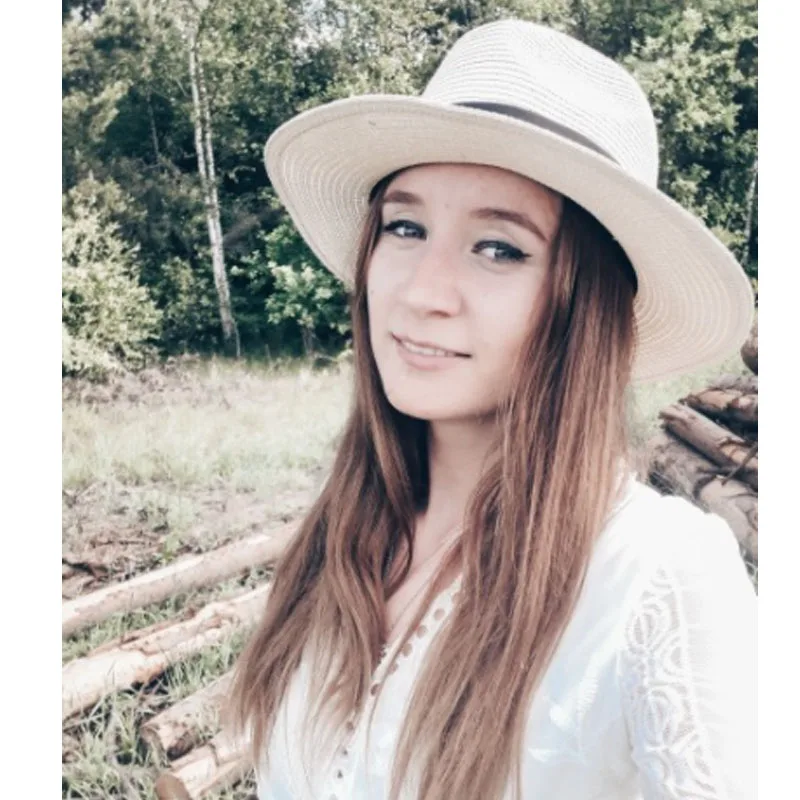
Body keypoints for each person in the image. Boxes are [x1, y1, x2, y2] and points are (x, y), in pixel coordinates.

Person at [227, 18, 757, 800]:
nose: (421, 292)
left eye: (499, 247)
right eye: (405, 227)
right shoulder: (342, 536)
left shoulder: (657, 579)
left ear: (583, 304)